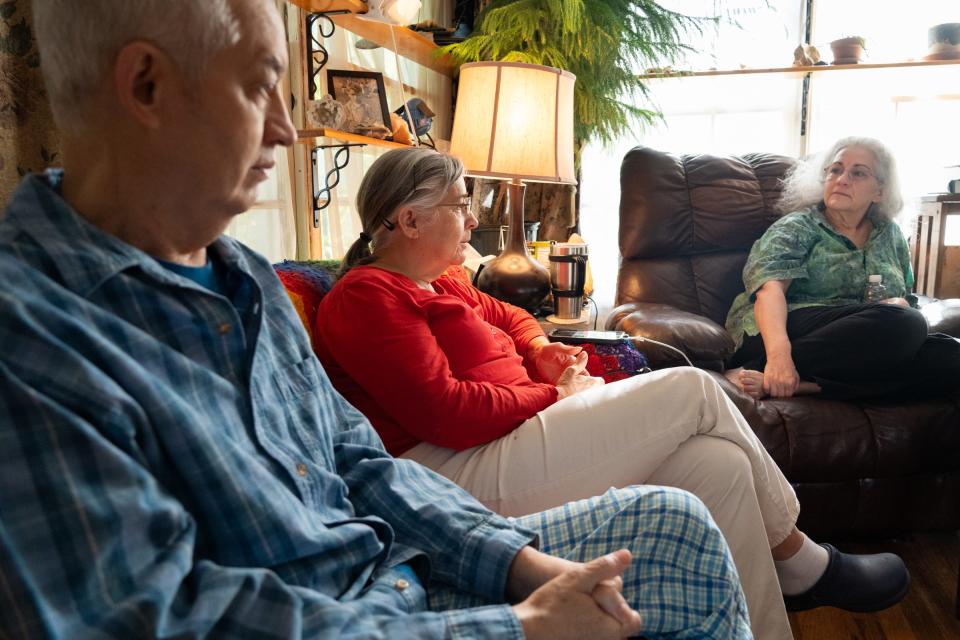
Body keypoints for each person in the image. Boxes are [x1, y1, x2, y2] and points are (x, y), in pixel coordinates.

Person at [0, 1, 758, 638]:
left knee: (679, 526)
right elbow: (166, 618)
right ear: (147, 84)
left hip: (402, 569)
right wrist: (518, 625)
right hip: (358, 614)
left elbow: (360, 465)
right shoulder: (31, 337)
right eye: (261, 87)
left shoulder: (247, 281)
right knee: (689, 406)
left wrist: (522, 565)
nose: (285, 131)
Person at [314, 147, 911, 639]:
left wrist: (542, 353)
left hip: (508, 440)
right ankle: (804, 561)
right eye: (460, 205)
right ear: (409, 219)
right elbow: (445, 411)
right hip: (451, 474)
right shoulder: (368, 297)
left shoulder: (442, 280)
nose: (472, 220)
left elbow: (518, 318)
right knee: (693, 390)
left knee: (717, 464)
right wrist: (552, 395)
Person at [724, 136, 960, 400]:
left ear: (880, 191)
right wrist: (779, 358)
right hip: (784, 327)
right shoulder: (798, 226)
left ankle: (807, 385)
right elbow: (769, 293)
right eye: (835, 170)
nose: (842, 179)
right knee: (905, 324)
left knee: (950, 357)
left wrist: (898, 306)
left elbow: (903, 297)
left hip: (860, 338)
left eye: (858, 173)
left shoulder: (890, 234)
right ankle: (760, 368)